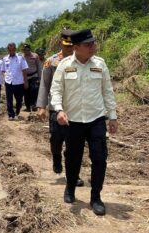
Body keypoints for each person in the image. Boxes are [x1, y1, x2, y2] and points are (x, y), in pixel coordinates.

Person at [50, 29, 118, 216]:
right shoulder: (64, 65)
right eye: (88, 45)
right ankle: (70, 188)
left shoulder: (100, 64)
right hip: (72, 121)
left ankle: (96, 197)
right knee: (73, 157)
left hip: (96, 118)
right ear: (76, 47)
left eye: (93, 44)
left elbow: (107, 91)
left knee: (99, 158)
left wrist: (112, 116)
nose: (93, 47)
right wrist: (59, 110)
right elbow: (55, 91)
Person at [37, 29, 83, 187]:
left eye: (72, 45)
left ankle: (73, 175)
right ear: (60, 43)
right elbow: (44, 84)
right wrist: (41, 106)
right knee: (56, 139)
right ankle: (56, 155)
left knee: (74, 144)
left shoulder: (81, 61)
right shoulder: (51, 62)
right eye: (67, 45)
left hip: (76, 108)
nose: (70, 48)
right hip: (56, 107)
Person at [1, 43, 28, 121]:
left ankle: (17, 112)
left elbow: (24, 70)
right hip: (9, 82)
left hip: (19, 82)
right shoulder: (5, 59)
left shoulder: (21, 58)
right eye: (10, 50)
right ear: (8, 50)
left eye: (13, 50)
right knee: (9, 99)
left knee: (19, 100)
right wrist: (4, 78)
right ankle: (11, 114)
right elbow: (3, 70)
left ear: (15, 49)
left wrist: (26, 82)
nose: (11, 51)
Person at [22, 44, 43, 112]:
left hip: (34, 75)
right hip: (25, 77)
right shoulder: (21, 57)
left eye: (28, 50)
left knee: (34, 90)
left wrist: (40, 78)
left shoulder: (35, 56)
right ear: (23, 50)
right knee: (26, 92)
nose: (26, 51)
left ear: (30, 49)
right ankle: (27, 106)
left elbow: (39, 66)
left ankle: (34, 105)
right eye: (25, 50)